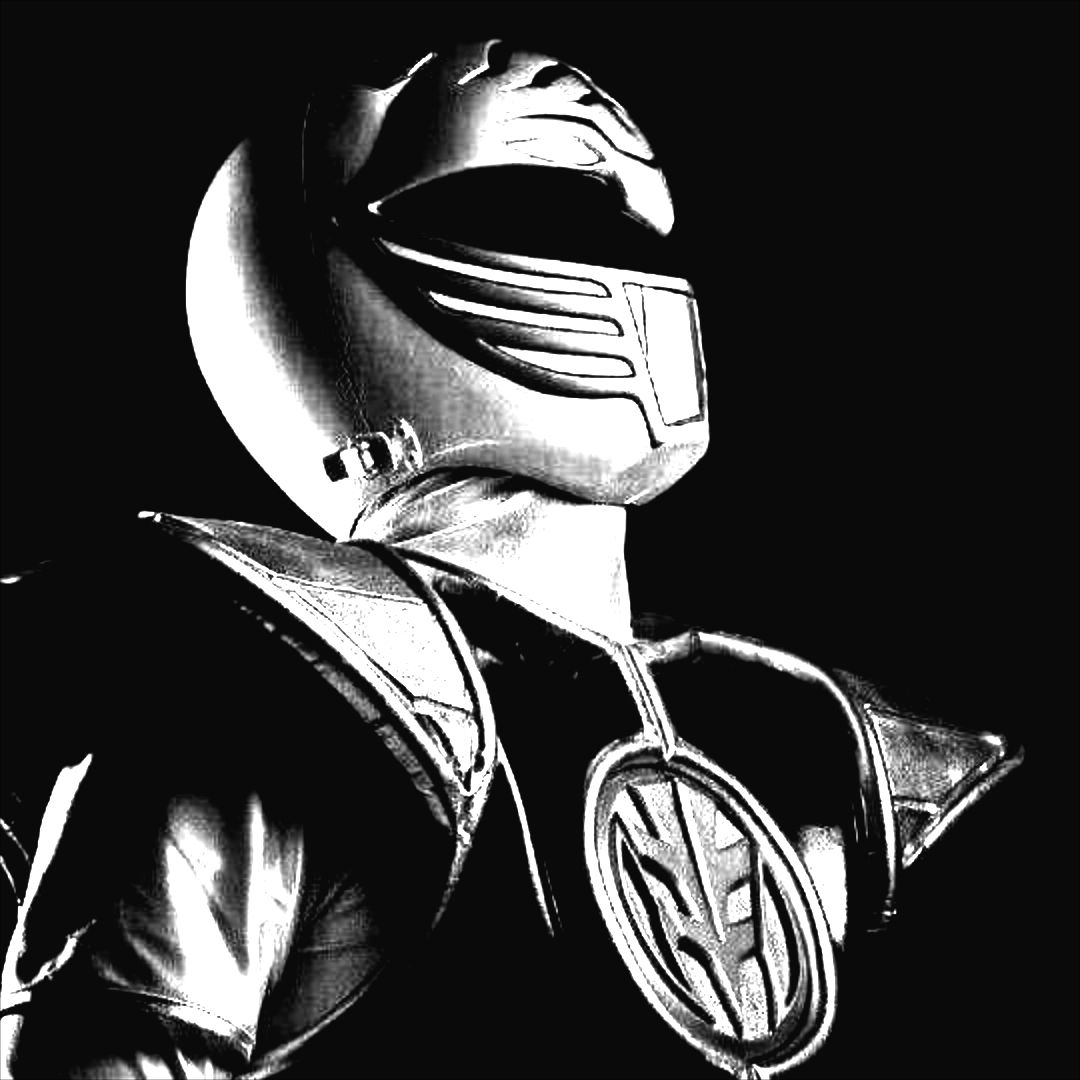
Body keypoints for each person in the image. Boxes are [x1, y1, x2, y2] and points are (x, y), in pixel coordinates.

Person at [0, 38, 1021, 1079]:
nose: (611, 272)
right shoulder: (255, 698)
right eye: (527, 218)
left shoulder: (807, 749)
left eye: (618, 232)